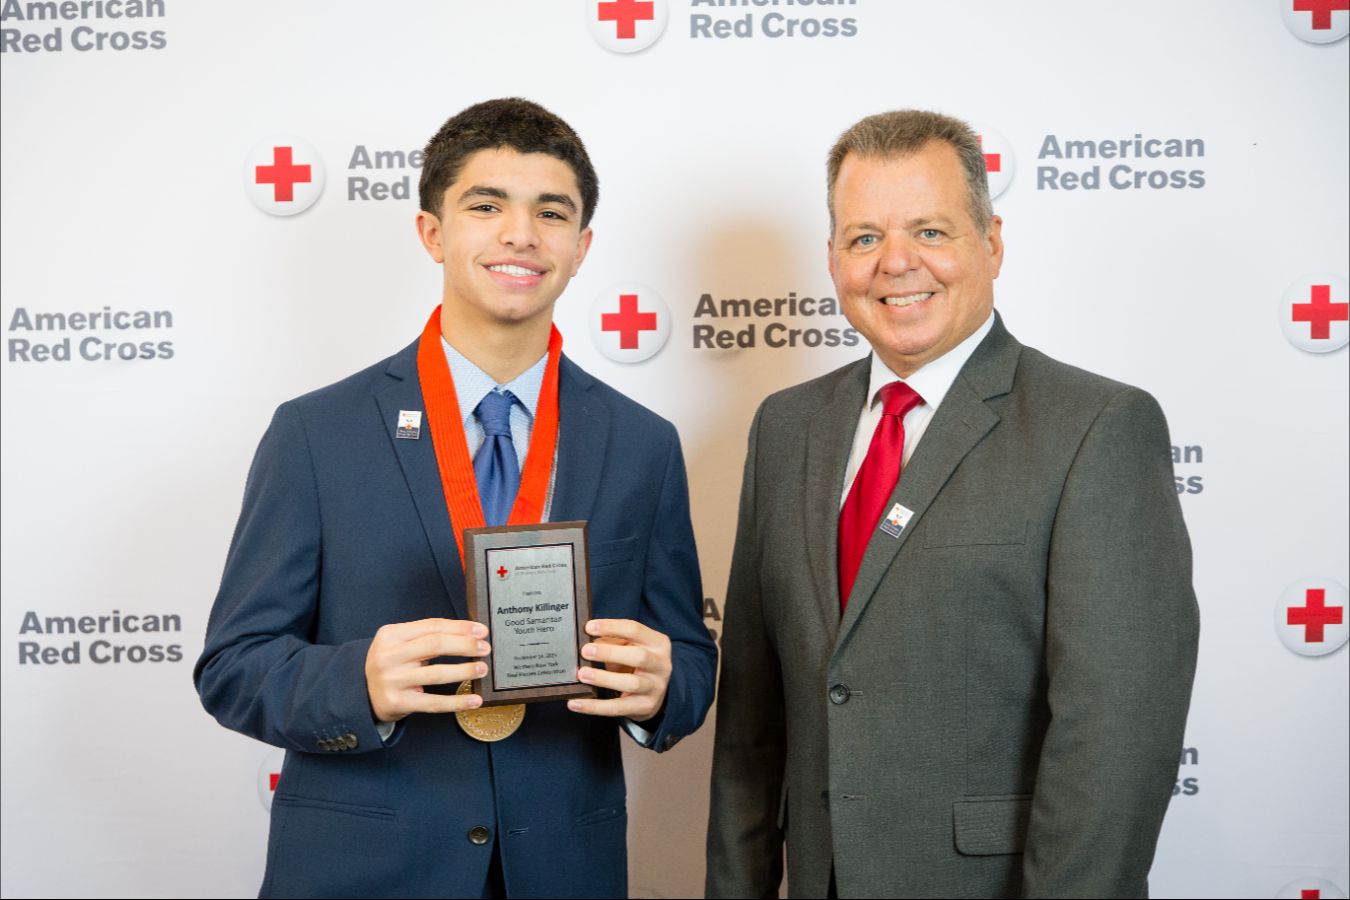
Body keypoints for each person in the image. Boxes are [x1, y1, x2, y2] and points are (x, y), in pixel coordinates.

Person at [196, 98, 716, 899]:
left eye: (551, 213)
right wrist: (357, 682)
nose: (520, 235)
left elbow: (688, 662)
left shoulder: (641, 444)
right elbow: (234, 666)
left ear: (580, 249)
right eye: (486, 206)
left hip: (562, 870)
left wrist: (659, 692)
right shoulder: (316, 433)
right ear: (432, 232)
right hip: (361, 871)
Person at [705, 109, 1199, 899]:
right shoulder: (786, 429)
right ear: (833, 258)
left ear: (991, 243)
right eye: (864, 238)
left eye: (930, 231)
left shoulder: (1097, 427)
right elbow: (752, 724)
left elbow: (1117, 739)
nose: (896, 263)